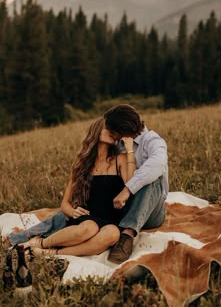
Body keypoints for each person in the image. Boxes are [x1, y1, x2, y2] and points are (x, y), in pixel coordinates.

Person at [4, 117, 136, 257]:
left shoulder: (120, 159)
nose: (112, 132)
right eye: (108, 127)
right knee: (90, 228)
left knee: (113, 234)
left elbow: (131, 185)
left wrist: (130, 151)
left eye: (115, 130)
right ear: (97, 130)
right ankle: (38, 243)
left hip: (112, 220)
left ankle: (50, 253)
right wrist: (73, 212)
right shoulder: (81, 165)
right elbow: (65, 204)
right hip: (87, 218)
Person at [103, 104, 168, 264]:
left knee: (152, 176)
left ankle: (127, 235)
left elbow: (158, 164)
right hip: (121, 207)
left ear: (122, 129)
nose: (112, 135)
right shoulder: (116, 143)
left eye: (113, 131)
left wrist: (128, 189)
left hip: (151, 211)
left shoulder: (153, 141)